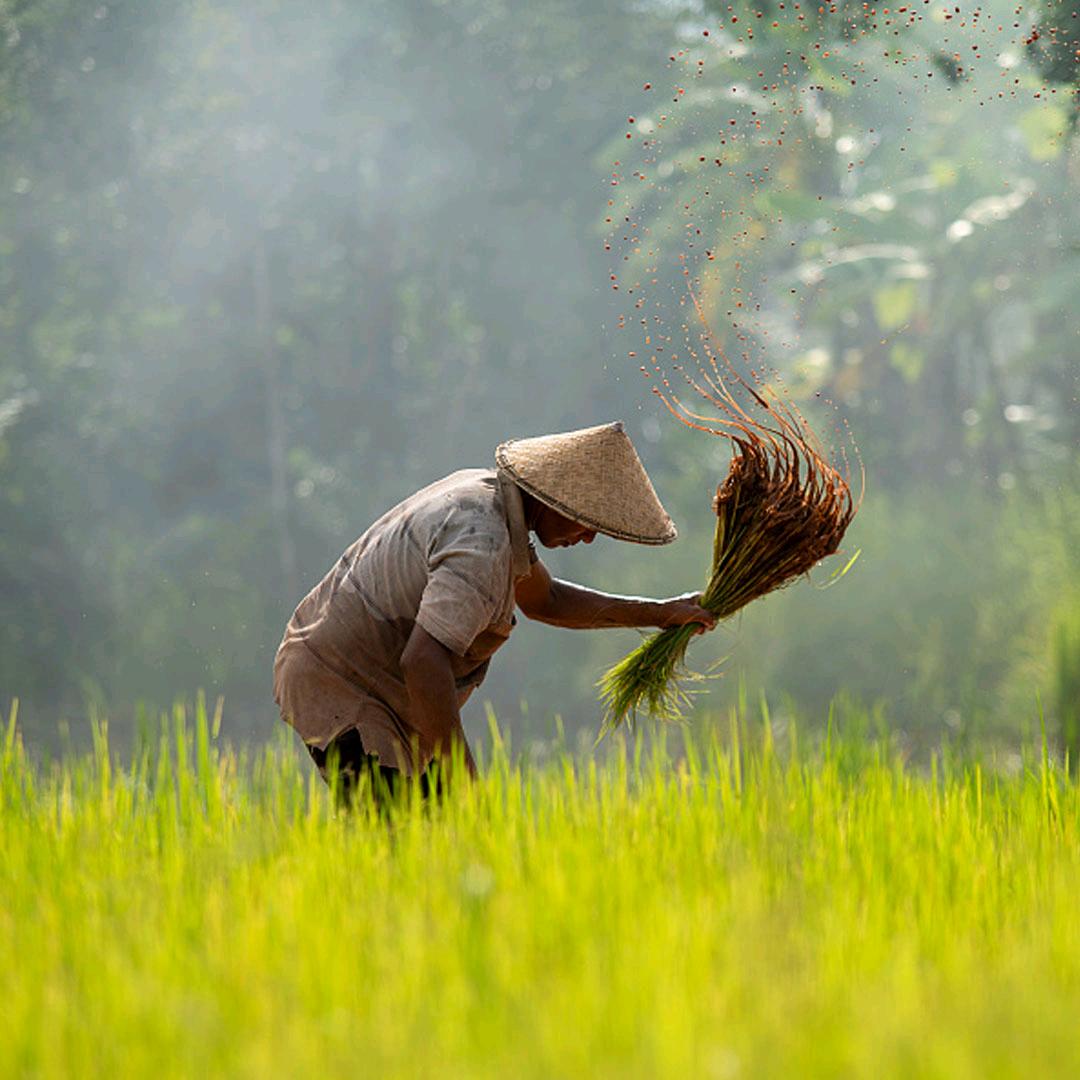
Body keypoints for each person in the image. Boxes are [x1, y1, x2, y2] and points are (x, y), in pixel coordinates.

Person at [273, 421, 716, 802]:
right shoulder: (482, 542)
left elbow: (547, 600)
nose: (589, 537)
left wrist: (660, 613)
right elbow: (423, 662)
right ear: (554, 498)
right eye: (587, 520)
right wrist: (465, 781)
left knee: (425, 835)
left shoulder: (492, 503)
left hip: (370, 679)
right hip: (342, 682)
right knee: (393, 834)